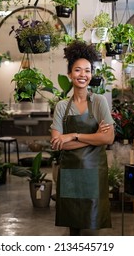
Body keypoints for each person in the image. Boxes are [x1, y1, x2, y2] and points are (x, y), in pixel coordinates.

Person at [50, 40, 115, 236]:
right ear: (70, 74)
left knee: (93, 223)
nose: (83, 75)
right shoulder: (62, 106)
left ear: (91, 75)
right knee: (74, 227)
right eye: (78, 70)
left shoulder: (99, 102)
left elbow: (109, 138)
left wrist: (73, 135)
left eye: (87, 71)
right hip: (70, 172)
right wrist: (94, 137)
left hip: (94, 171)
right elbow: (57, 144)